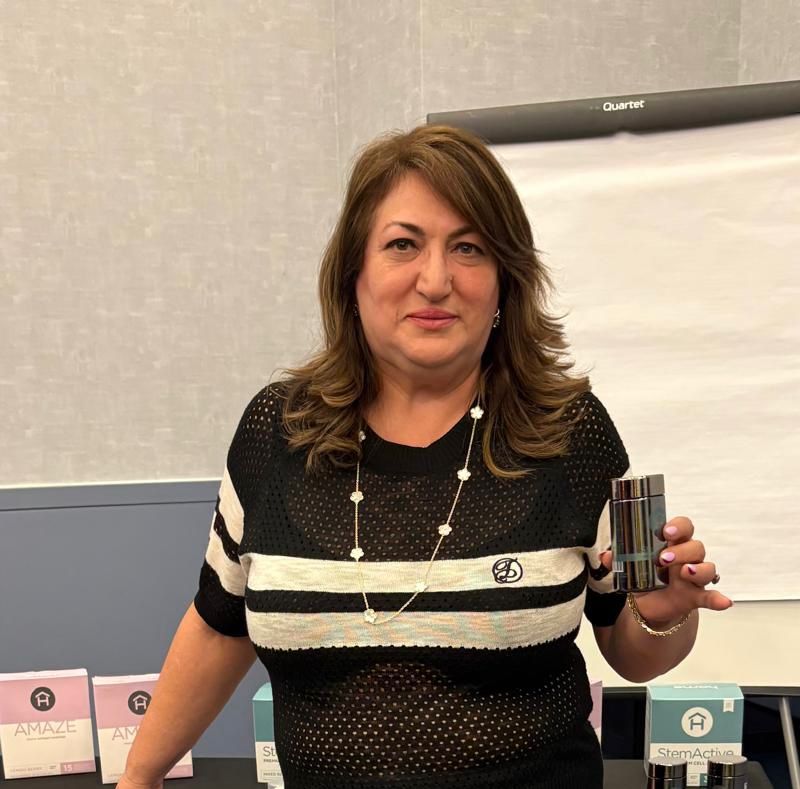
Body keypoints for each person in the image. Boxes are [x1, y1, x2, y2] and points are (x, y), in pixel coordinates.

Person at [118, 124, 732, 789]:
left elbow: (632, 649)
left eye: (468, 248)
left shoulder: (568, 432)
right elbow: (220, 625)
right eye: (402, 244)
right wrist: (138, 779)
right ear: (353, 274)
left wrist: (666, 616)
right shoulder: (280, 431)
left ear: (504, 282)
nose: (436, 280)